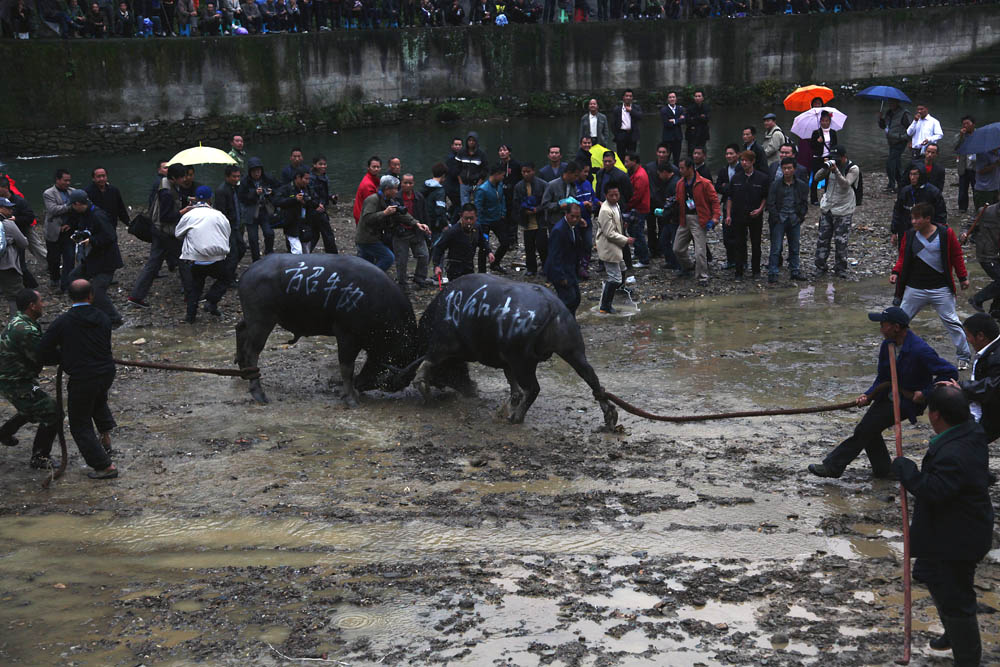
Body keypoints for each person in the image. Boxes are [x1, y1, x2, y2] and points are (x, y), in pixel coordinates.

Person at [890, 385, 993, 667]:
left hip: (958, 538)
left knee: (956, 598)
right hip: (955, 527)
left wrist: (907, 471)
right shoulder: (971, 430)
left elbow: (934, 490)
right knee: (930, 574)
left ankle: (967, 658)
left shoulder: (954, 452)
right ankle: (953, 632)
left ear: (935, 415)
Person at [808, 306, 957, 479]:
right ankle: (883, 470)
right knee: (869, 430)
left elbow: (949, 372)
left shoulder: (920, 350)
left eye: (883, 325)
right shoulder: (888, 345)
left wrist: (925, 393)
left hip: (907, 401)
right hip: (887, 395)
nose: (880, 329)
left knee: (865, 429)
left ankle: (832, 467)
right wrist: (868, 395)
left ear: (896, 327)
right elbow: (883, 377)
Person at [37, 279, 118, 480]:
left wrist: (61, 358)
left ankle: (104, 466)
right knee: (97, 400)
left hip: (83, 377)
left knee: (79, 423)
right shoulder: (103, 317)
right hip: (106, 372)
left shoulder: (63, 322)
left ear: (70, 297)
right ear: (91, 296)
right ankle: (105, 438)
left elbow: (43, 350)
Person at [892, 202, 972, 370]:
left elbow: (956, 255)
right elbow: (903, 257)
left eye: (917, 219)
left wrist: (962, 277)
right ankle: (895, 353)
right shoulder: (910, 235)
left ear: (928, 219)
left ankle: (964, 356)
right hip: (914, 288)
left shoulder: (945, 234)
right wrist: (896, 272)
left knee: (952, 322)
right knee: (899, 320)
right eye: (912, 218)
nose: (913, 222)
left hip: (941, 288)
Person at [0, 288, 60, 469]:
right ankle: (40, 456)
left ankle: (5, 432)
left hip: (20, 379)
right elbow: (43, 356)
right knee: (52, 411)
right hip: (15, 382)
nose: (44, 304)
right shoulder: (25, 330)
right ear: (32, 306)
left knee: (32, 406)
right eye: (41, 301)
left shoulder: (21, 321)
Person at [129, 163, 192, 308]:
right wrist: (183, 211)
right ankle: (190, 295)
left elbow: (175, 198)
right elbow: (166, 216)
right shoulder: (166, 193)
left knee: (153, 264)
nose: (185, 179)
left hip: (158, 231)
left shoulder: (165, 184)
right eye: (182, 177)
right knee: (184, 260)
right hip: (165, 233)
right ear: (174, 178)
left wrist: (188, 199)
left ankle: (136, 296)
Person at [65, 190, 124, 328]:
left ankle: (115, 319)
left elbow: (111, 236)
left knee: (97, 291)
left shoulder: (98, 215)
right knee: (73, 278)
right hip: (92, 258)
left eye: (72, 205)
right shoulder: (85, 214)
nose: (72, 208)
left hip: (106, 261)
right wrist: (79, 235)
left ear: (78, 204)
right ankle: (84, 308)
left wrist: (91, 240)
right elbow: (88, 230)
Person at [175, 186, 231, 323]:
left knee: (195, 287)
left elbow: (178, 233)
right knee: (226, 278)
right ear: (210, 198)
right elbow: (227, 232)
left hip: (195, 259)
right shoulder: (219, 215)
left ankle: (190, 317)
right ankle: (211, 300)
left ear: (195, 199)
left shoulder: (189, 215)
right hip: (216, 258)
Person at [950, 313, 1000, 444]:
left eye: (968, 335)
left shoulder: (996, 357)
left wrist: (961, 387)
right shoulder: (990, 351)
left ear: (981, 336)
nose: (967, 340)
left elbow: (993, 387)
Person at [358, 175, 423, 272]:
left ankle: (365, 278)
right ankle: (373, 276)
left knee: (366, 264)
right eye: (395, 189)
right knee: (388, 258)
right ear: (387, 189)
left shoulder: (389, 201)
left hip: (374, 237)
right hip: (367, 238)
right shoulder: (373, 199)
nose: (397, 191)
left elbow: (401, 215)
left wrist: (416, 223)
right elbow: (367, 218)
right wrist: (384, 213)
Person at [673, 157, 720, 287]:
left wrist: (715, 218)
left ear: (690, 168)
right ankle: (688, 266)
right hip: (684, 219)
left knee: (700, 251)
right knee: (677, 248)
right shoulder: (680, 183)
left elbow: (715, 201)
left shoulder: (704, 183)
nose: (680, 170)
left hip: (699, 219)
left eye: (682, 168)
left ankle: (702, 276)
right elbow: (678, 200)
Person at [814, 146, 859, 279]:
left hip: (844, 209)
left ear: (844, 157)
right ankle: (820, 266)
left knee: (841, 241)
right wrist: (825, 168)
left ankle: (840, 268)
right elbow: (816, 178)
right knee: (823, 239)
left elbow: (845, 185)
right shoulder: (830, 166)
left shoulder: (853, 168)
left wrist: (837, 171)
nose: (836, 161)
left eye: (838, 159)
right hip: (828, 207)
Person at [726, 150, 769, 280]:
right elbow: (730, 197)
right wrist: (728, 215)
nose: (744, 163)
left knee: (756, 244)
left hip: (755, 216)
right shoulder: (736, 178)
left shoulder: (762, 178)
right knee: (739, 243)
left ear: (752, 161)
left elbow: (765, 197)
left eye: (746, 161)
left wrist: (760, 209)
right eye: (742, 160)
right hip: (738, 215)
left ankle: (756, 271)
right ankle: (739, 271)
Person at [765, 157, 808, 283]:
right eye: (784, 168)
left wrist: (800, 216)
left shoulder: (801, 185)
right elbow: (770, 203)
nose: (787, 171)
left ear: (794, 169)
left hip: (794, 218)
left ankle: (795, 270)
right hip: (780, 219)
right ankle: (773, 272)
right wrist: (776, 217)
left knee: (794, 247)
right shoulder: (775, 184)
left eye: (789, 168)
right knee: (776, 247)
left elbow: (804, 202)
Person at [595, 185, 633, 314]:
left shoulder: (616, 205)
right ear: (606, 195)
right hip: (609, 246)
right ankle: (605, 306)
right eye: (611, 195)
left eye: (617, 194)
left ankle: (619, 289)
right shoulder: (605, 210)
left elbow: (616, 223)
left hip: (616, 245)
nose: (615, 197)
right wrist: (626, 240)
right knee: (614, 277)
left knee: (622, 269)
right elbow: (609, 233)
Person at [431, 203, 493, 282]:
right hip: (455, 269)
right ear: (461, 217)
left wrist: (489, 252)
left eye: (471, 218)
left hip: (469, 266)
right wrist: (437, 266)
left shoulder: (477, 228)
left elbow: (482, 241)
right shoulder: (452, 232)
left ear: (476, 217)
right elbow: (439, 248)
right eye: (466, 218)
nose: (469, 221)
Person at [891, 166, 947, 247]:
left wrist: (939, 232)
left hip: (927, 231)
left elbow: (941, 214)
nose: (912, 178)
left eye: (915, 174)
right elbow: (898, 212)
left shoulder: (933, 192)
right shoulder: (905, 191)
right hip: (906, 230)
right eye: (910, 174)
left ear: (921, 175)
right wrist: (894, 231)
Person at [394, 173, 432, 290]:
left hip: (416, 231)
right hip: (401, 233)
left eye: (410, 183)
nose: (408, 185)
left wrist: (427, 228)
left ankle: (420, 278)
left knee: (424, 255)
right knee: (402, 260)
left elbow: (424, 214)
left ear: (413, 183)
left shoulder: (419, 197)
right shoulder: (396, 198)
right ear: (401, 183)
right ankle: (402, 282)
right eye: (405, 183)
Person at [544, 203, 583, 315]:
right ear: (566, 214)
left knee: (576, 298)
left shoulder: (573, 227)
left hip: (570, 268)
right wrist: (561, 277)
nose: (575, 219)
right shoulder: (559, 230)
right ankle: (561, 321)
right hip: (560, 270)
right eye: (572, 216)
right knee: (568, 299)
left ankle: (569, 320)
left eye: (577, 217)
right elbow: (554, 256)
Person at [540, 162, 582, 269]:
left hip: (570, 222)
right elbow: (545, 204)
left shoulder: (573, 186)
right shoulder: (552, 185)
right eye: (575, 175)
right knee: (556, 247)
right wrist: (558, 206)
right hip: (555, 222)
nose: (577, 178)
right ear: (569, 173)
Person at [962, 202, 1000, 318]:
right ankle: (977, 299)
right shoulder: (986, 211)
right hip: (987, 255)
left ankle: (995, 311)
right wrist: (963, 234)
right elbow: (968, 226)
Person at [237, 157, 278, 260]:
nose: (256, 174)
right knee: (253, 238)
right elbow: (241, 197)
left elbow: (280, 188)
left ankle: (269, 253)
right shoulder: (245, 181)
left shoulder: (267, 178)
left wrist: (272, 192)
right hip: (250, 211)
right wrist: (254, 193)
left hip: (264, 210)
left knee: (269, 233)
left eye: (258, 171)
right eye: (254, 171)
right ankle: (256, 259)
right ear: (250, 171)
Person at [42, 169, 76, 291]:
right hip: (54, 231)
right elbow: (53, 209)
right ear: (57, 180)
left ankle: (67, 281)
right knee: (54, 258)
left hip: (68, 230)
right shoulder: (48, 193)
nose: (68, 183)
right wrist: (71, 206)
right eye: (65, 180)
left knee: (70, 257)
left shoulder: (73, 191)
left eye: (69, 180)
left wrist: (70, 224)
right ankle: (55, 278)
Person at [513, 162, 546, 276]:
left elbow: (546, 201)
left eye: (528, 171)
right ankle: (531, 268)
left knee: (542, 246)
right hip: (527, 221)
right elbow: (516, 203)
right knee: (529, 246)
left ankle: (545, 267)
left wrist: (538, 209)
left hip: (540, 220)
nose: (526, 174)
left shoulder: (542, 184)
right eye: (524, 172)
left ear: (533, 171)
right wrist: (524, 211)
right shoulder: (518, 186)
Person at [214, 164, 246, 283]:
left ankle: (228, 272)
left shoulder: (234, 188)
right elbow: (221, 212)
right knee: (233, 253)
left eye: (238, 176)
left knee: (241, 248)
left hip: (235, 225)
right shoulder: (222, 191)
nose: (237, 179)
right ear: (227, 177)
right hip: (228, 226)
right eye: (234, 176)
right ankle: (228, 278)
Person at [475, 164, 508, 273]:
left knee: (505, 242)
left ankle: (495, 263)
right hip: (484, 222)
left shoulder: (499, 185)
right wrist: (478, 223)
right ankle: (482, 272)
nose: (503, 177)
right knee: (484, 247)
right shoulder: (483, 189)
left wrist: (503, 212)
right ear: (496, 175)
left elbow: (502, 199)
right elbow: (478, 207)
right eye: (502, 175)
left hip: (497, 219)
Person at [0, 199, 29, 317]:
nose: (11, 210)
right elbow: (24, 243)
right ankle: (16, 323)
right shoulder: (8, 224)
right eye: (8, 208)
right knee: (15, 296)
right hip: (7, 265)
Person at [715, 143, 741, 271]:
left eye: (731, 153)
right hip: (726, 204)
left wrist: (727, 187)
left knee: (740, 234)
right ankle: (730, 260)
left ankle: (741, 261)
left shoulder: (742, 168)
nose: (729, 156)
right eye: (727, 154)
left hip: (740, 205)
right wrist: (727, 188)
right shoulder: (723, 170)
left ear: (738, 155)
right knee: (727, 234)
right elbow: (718, 187)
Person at [649, 162, 679, 270]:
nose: (659, 177)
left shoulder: (673, 184)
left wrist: (664, 212)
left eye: (660, 174)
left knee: (673, 242)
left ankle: (677, 263)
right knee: (664, 240)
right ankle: (671, 261)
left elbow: (673, 202)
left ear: (665, 172)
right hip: (669, 218)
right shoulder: (670, 182)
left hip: (673, 218)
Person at [878, 98, 911, 193]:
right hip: (891, 141)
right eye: (890, 102)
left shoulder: (904, 114)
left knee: (890, 163)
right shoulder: (889, 113)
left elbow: (911, 128)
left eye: (893, 102)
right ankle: (902, 184)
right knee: (896, 164)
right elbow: (883, 126)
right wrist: (880, 119)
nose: (891, 104)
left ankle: (891, 185)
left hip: (900, 141)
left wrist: (908, 140)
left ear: (897, 102)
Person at [809, 111, 838, 205]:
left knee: (829, 178)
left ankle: (827, 197)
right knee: (816, 178)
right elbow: (812, 146)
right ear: (820, 121)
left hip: (829, 157)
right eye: (823, 121)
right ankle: (814, 199)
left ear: (830, 121)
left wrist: (833, 156)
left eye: (827, 121)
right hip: (818, 158)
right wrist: (818, 141)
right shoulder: (816, 133)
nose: (825, 123)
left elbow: (835, 145)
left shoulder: (833, 132)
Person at [422, 162, 450, 245]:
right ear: (443, 175)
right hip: (435, 225)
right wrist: (444, 224)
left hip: (424, 221)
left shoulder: (425, 186)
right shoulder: (440, 191)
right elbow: (440, 210)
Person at [456, 132, 487, 205]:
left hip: (476, 183)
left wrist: (480, 181)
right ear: (467, 141)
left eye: (473, 140)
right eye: (469, 140)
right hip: (464, 183)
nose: (471, 142)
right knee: (464, 205)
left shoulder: (481, 154)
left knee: (478, 204)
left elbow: (485, 169)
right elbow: (457, 168)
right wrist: (460, 181)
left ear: (476, 142)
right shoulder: (461, 152)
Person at [610, 89, 642, 155]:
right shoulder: (617, 109)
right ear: (623, 97)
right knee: (621, 155)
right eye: (627, 96)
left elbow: (640, 117)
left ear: (632, 98)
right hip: (621, 135)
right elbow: (613, 124)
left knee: (632, 156)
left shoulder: (636, 108)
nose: (628, 98)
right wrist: (617, 135)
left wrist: (631, 111)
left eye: (630, 96)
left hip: (632, 136)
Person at [955, 116, 976, 213]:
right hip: (963, 166)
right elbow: (955, 147)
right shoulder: (960, 136)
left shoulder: (979, 135)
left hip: (975, 166)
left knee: (976, 188)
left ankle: (978, 206)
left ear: (973, 124)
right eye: (964, 124)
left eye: (968, 123)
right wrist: (960, 136)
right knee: (963, 188)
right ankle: (962, 207)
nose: (965, 126)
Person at [352, 156, 381, 224]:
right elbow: (372, 205)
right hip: (362, 218)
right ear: (368, 168)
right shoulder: (368, 185)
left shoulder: (374, 179)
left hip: (361, 214)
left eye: (378, 167)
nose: (376, 169)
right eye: (374, 167)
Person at [659, 92, 685, 166]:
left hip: (678, 137)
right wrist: (678, 120)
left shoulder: (680, 109)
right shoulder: (664, 110)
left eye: (673, 97)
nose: (672, 99)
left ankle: (676, 171)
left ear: (676, 99)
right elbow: (667, 124)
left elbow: (684, 120)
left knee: (677, 158)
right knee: (666, 158)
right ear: (668, 99)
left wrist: (674, 121)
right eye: (670, 97)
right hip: (668, 138)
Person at [684, 91, 710, 156]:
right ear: (694, 98)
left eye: (699, 96)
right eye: (696, 96)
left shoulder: (706, 107)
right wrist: (700, 117)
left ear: (702, 98)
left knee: (702, 153)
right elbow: (687, 120)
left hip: (703, 134)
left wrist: (694, 118)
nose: (697, 98)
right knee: (691, 153)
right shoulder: (690, 108)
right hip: (692, 134)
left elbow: (707, 119)